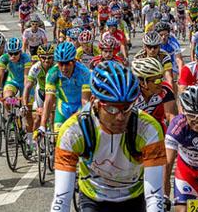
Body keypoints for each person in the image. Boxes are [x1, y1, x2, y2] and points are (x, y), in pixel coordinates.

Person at [51, 61, 166, 212]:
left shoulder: (149, 129)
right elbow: (61, 199)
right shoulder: (73, 131)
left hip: (134, 198)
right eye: (111, 108)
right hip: (94, 198)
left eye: (126, 108)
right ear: (95, 103)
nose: (120, 117)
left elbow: (155, 197)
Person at [39, 42, 91, 133]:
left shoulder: (84, 73)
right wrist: (42, 125)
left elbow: (85, 101)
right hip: (63, 107)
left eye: (67, 63)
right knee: (57, 137)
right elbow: (49, 100)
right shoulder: (53, 73)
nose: (63, 68)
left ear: (74, 61)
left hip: (79, 107)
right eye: (60, 64)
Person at [21, 43, 56, 153]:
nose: (47, 60)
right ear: (39, 57)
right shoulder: (35, 68)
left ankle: (53, 141)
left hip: (55, 93)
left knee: (52, 116)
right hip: (41, 92)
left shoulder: (57, 67)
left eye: (50, 57)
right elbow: (27, 87)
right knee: (36, 117)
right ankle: (34, 141)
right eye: (44, 58)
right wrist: (25, 105)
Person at [131, 57, 176, 132]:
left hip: (156, 128)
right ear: (143, 83)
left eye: (161, 78)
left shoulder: (165, 90)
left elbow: (170, 115)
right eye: (156, 80)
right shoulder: (131, 94)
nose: (160, 83)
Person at [0, 38, 32, 104]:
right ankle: (11, 112)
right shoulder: (4, 58)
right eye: (10, 53)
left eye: (16, 53)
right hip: (12, 81)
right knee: (7, 101)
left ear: (20, 52)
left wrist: (25, 95)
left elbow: (26, 77)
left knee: (26, 106)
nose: (13, 56)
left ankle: (21, 107)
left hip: (25, 83)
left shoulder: (26, 58)